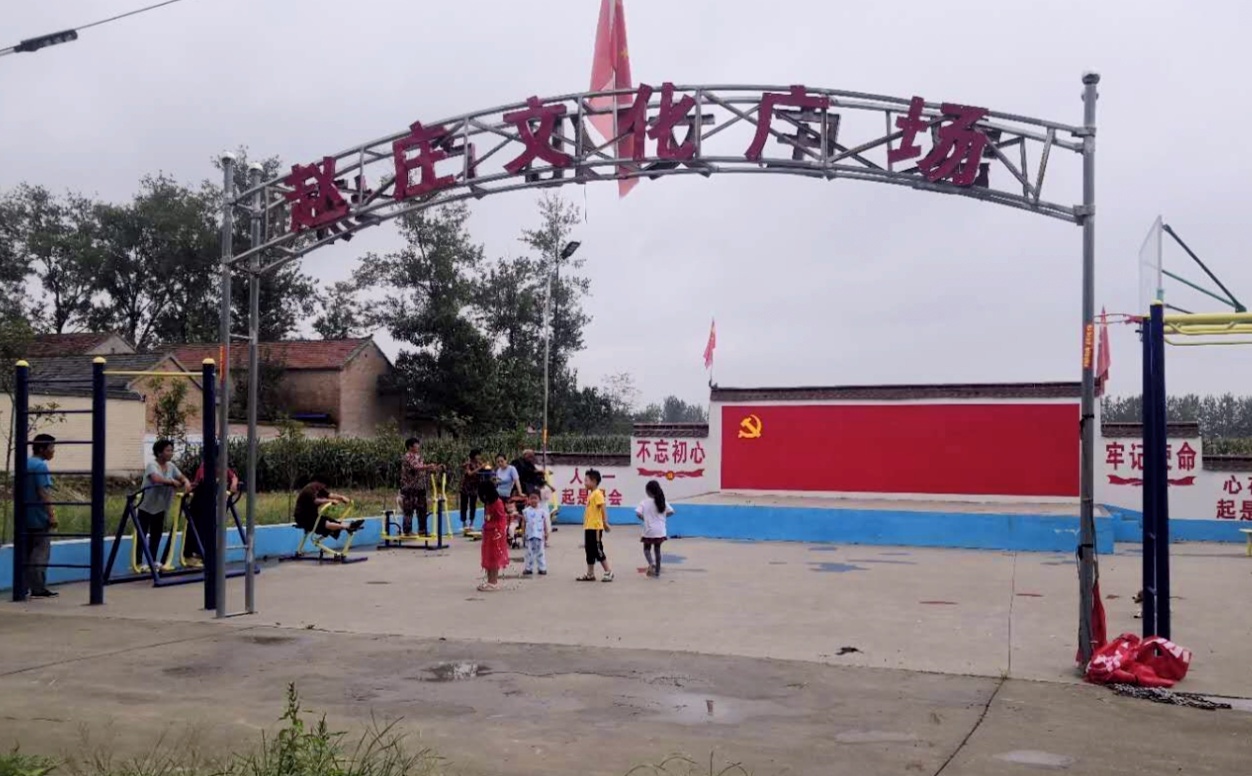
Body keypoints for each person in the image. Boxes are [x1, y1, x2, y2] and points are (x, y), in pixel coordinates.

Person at [138, 440, 191, 570]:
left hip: (161, 506)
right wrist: (172, 482)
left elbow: (181, 476)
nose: (171, 453)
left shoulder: (171, 466)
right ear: (159, 452)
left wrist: (186, 482)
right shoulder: (152, 465)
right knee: (142, 534)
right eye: (168, 450)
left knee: (156, 534)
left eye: (171, 450)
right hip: (146, 506)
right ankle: (138, 562)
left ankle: (152, 560)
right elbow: (156, 479)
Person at [22, 434, 58, 598]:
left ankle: (23, 587)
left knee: (26, 552)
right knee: (40, 553)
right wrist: (51, 515)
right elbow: (43, 491)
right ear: (42, 449)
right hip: (39, 517)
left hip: (24, 516)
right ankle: (38, 588)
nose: (53, 451)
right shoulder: (40, 466)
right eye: (51, 447)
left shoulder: (25, 463)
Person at [294, 478, 364, 540]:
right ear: (318, 482)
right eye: (323, 485)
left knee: (329, 520)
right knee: (323, 523)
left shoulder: (319, 489)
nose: (323, 487)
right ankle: (348, 526)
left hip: (312, 516)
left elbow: (330, 495)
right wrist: (330, 501)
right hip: (302, 517)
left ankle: (348, 526)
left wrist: (342, 498)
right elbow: (316, 501)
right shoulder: (309, 490)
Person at [576, 469, 613, 582]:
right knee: (589, 550)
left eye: (586, 480)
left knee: (597, 549)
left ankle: (608, 572)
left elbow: (603, 507)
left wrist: (605, 522)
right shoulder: (591, 494)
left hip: (595, 528)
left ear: (594, 481)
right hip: (588, 527)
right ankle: (590, 574)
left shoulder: (597, 493)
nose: (585, 483)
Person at [400, 437, 442, 536]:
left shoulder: (419, 457)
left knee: (422, 508)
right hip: (409, 487)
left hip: (420, 486)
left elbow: (423, 469)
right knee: (409, 509)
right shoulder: (408, 456)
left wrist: (434, 468)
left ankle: (422, 529)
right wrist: (428, 466)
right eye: (416, 445)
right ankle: (407, 531)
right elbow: (415, 467)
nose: (418, 446)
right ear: (410, 447)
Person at [636, 480, 675, 578]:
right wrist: (663, 517)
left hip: (649, 531)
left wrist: (644, 518)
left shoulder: (644, 502)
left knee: (646, 549)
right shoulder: (662, 501)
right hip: (660, 531)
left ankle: (651, 563)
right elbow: (672, 512)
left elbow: (638, 513)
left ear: (648, 491)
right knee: (657, 550)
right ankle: (657, 571)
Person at [477, 479, 510, 591]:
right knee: (488, 557)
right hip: (488, 533)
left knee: (494, 558)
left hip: (496, 534)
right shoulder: (488, 503)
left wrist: (498, 532)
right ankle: (489, 581)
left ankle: (493, 582)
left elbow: (502, 520)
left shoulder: (498, 503)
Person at [521, 491, 549, 577]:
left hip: (540, 535)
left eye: (535, 498)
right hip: (530, 535)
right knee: (529, 553)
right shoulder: (526, 511)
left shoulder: (542, 511)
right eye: (531, 498)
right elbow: (523, 523)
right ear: (528, 500)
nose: (533, 500)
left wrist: (546, 532)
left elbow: (544, 522)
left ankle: (542, 568)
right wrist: (523, 533)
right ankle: (528, 568)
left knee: (541, 552)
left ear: (539, 500)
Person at [459, 448, 483, 530]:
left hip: (474, 487)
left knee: (473, 505)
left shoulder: (480, 463)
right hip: (466, 487)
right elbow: (469, 473)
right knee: (464, 505)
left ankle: (472, 522)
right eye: (477, 455)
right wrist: (479, 468)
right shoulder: (468, 464)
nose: (479, 457)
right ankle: (464, 522)